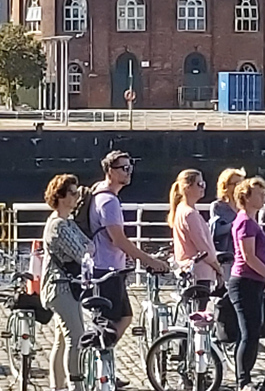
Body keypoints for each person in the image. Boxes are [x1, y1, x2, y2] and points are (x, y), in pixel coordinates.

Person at [89, 150, 169, 386]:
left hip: (105, 268)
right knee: (117, 318)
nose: (128, 172)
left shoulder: (99, 192)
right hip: (106, 270)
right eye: (123, 168)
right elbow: (119, 239)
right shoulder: (108, 201)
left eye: (130, 167)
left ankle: (102, 364)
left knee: (119, 317)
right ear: (110, 172)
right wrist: (148, 261)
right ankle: (100, 365)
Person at [41, 174, 93, 391]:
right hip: (59, 287)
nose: (77, 197)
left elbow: (89, 245)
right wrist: (86, 251)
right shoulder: (58, 226)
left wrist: (87, 249)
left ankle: (57, 386)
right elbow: (83, 252)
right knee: (76, 337)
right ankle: (76, 384)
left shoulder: (67, 222)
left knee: (62, 339)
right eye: (73, 193)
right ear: (61, 197)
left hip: (66, 286)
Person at [228, 176, 265, 391]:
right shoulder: (245, 221)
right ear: (246, 197)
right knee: (249, 333)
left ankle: (245, 378)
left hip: (253, 282)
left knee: (253, 330)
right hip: (245, 281)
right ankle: (243, 381)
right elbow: (248, 256)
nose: (263, 197)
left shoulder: (250, 221)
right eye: (259, 193)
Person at [168, 169, 221, 310]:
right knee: (200, 314)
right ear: (188, 187)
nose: (203, 187)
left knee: (192, 312)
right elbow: (203, 247)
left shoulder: (181, 210)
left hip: (188, 269)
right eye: (199, 184)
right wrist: (218, 268)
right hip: (199, 272)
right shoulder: (190, 214)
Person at [209, 168, 245, 278]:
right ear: (225, 186)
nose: (239, 187)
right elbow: (217, 230)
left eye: (241, 183)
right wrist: (236, 226)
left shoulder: (245, 205)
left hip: (244, 251)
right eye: (235, 184)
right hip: (225, 251)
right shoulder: (218, 206)